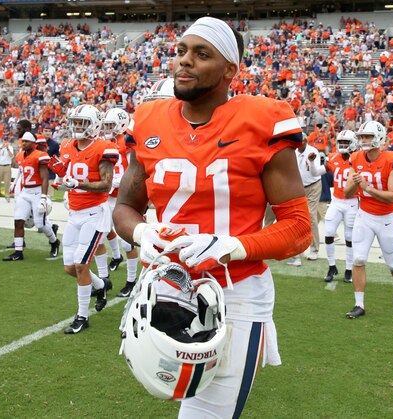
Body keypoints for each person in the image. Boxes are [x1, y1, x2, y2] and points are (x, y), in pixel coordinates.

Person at [112, 17, 311, 417]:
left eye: (202, 54)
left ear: (229, 70)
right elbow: (125, 208)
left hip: (233, 294)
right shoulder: (149, 119)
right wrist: (142, 233)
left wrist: (233, 245)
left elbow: (299, 230)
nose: (185, 61)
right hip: (165, 287)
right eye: (182, 51)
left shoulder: (262, 119)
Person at [50, 104, 116, 334]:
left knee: (80, 266)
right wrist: (61, 182)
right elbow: (67, 175)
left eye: (82, 122)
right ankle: (101, 285)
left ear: (94, 124)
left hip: (94, 214)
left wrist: (78, 184)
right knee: (69, 267)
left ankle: (82, 316)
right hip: (74, 213)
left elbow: (106, 185)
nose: (77, 126)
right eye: (75, 122)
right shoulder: (67, 145)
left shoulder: (104, 148)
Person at [344, 120, 393, 319]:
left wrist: (368, 188)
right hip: (364, 215)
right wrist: (355, 184)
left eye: (367, 136)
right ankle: (359, 304)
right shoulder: (355, 158)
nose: (363, 140)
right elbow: (347, 193)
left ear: (378, 137)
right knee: (359, 258)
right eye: (361, 136)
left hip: (386, 217)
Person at [3, 132, 59, 261]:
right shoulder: (20, 156)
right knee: (18, 220)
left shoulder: (40, 156)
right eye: (23, 141)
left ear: (34, 144)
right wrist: (15, 183)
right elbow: (22, 174)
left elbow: (45, 178)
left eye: (27, 141)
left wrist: (44, 197)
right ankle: (18, 251)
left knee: (40, 224)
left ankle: (54, 241)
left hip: (37, 191)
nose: (24, 144)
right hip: (25, 192)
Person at [101, 107, 139, 298]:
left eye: (111, 125)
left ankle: (132, 281)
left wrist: (116, 181)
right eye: (106, 125)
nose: (108, 128)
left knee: (128, 242)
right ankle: (103, 279)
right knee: (101, 233)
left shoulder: (127, 141)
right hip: (107, 196)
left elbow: (134, 169)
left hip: (123, 197)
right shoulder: (108, 142)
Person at [321, 130, 359, 283]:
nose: (343, 145)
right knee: (329, 232)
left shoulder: (358, 158)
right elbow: (318, 172)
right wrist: (311, 163)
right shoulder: (332, 157)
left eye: (346, 143)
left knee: (350, 237)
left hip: (352, 202)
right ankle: (332, 266)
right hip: (336, 201)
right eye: (341, 142)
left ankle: (349, 269)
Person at [285, 133, 323, 266]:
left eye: (300, 141)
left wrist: (311, 161)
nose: (297, 143)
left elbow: (315, 173)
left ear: (306, 141)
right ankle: (298, 250)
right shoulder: (293, 151)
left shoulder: (313, 151)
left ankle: (314, 249)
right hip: (298, 186)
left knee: (311, 216)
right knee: (297, 217)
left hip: (313, 186)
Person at [0, 136, 14, 202]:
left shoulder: (10, 147)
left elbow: (12, 156)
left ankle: (7, 196)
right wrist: (1, 147)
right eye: (4, 140)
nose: (5, 141)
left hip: (7, 166)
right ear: (2, 140)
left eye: (6, 140)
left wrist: (7, 148)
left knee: (7, 182)